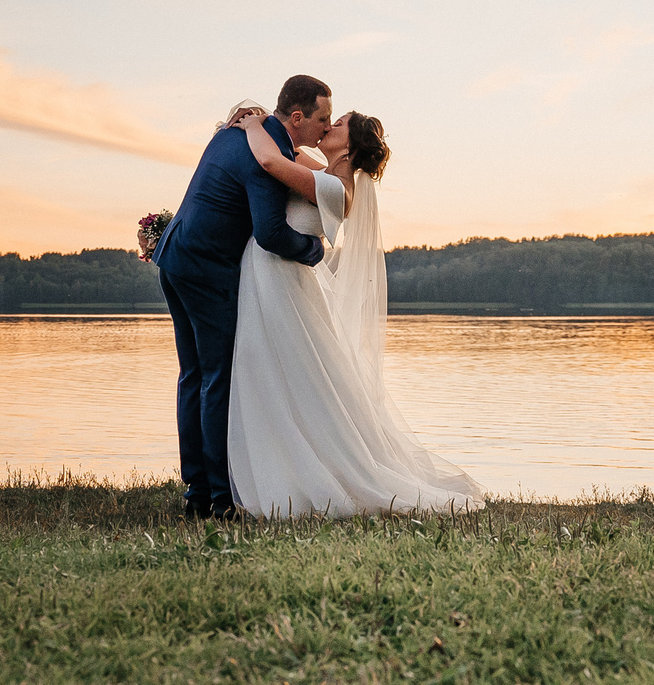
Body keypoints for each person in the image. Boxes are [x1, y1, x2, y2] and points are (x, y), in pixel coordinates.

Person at [223, 104, 484, 518]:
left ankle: (298, 478)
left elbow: (272, 159)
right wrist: (253, 114)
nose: (327, 126)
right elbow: (287, 152)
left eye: (337, 124)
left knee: (281, 377)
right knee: (275, 376)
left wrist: (252, 125)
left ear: (349, 148)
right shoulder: (325, 175)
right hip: (273, 280)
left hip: (282, 285)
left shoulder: (335, 188)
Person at [150, 75, 335, 518]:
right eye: (322, 119)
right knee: (217, 378)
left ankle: (195, 489)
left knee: (193, 376)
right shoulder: (260, 153)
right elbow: (271, 233)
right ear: (297, 117)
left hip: (174, 258)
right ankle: (217, 497)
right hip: (206, 269)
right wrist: (316, 250)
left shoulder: (237, 132)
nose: (326, 129)